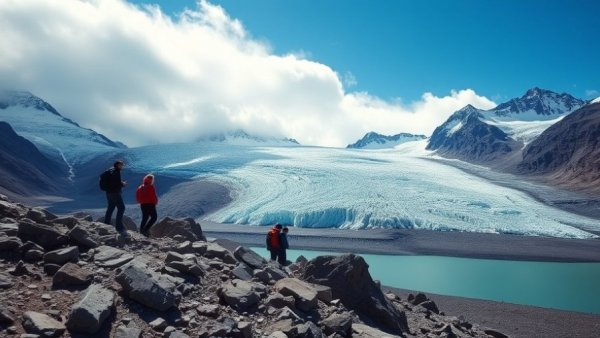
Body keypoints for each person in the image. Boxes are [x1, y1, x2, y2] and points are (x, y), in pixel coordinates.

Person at [103, 160, 127, 232]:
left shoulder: (110, 171)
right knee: (121, 208)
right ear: (117, 165)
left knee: (111, 207)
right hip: (115, 193)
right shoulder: (116, 171)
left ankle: (106, 224)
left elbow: (113, 182)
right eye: (121, 165)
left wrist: (121, 183)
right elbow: (116, 184)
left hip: (109, 193)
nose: (122, 166)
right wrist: (123, 184)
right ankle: (119, 226)